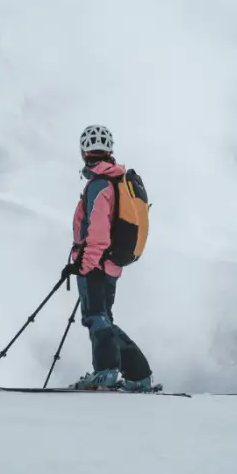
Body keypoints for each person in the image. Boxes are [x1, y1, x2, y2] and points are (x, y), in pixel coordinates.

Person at [61, 124, 154, 392]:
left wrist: (83, 265)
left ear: (83, 153)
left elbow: (98, 233)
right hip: (110, 263)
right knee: (102, 318)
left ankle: (106, 371)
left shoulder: (100, 184)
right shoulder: (115, 179)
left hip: (97, 263)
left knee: (96, 318)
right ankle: (138, 375)